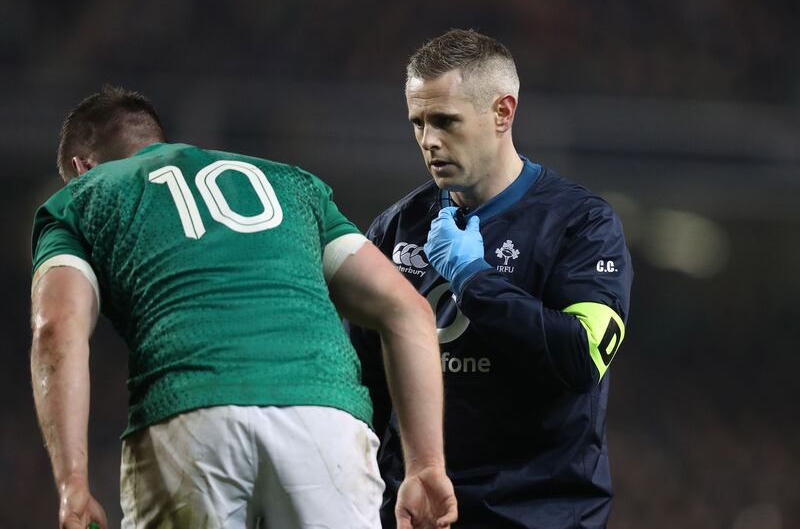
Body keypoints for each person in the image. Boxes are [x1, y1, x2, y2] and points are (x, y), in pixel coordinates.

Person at [30, 85, 457, 529]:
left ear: (83, 168)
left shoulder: (81, 198)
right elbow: (407, 309)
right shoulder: (293, 184)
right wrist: (426, 464)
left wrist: (72, 482)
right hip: (324, 421)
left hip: (190, 414)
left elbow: (56, 328)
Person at [348, 29, 633, 528]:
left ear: (503, 112)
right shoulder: (396, 228)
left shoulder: (582, 224)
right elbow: (360, 385)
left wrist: (473, 279)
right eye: (418, 123)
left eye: (445, 121)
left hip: (539, 514)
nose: (428, 140)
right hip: (420, 514)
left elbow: (580, 357)